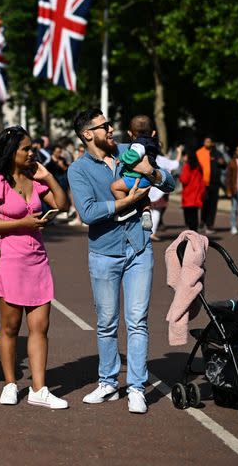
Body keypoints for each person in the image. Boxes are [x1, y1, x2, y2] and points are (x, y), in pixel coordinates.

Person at [67, 108, 175, 414]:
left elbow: (169, 183)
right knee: (106, 323)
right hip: (104, 252)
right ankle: (109, 382)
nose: (112, 129)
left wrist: (151, 172)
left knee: (137, 321)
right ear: (88, 134)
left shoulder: (131, 151)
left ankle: (137, 388)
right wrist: (124, 203)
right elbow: (87, 213)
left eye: (111, 124)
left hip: (139, 247)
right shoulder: (78, 170)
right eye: (104, 126)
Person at [0, 126, 69, 408]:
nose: (32, 152)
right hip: (8, 260)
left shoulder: (33, 177)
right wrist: (22, 223)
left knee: (40, 326)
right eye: (26, 148)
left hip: (36, 258)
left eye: (32, 148)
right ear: (10, 152)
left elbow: (62, 205)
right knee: (11, 326)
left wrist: (49, 176)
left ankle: (39, 389)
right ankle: (10, 383)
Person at [109, 115, 161, 229]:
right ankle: (146, 212)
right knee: (144, 197)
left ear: (129, 133)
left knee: (115, 187)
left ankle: (126, 209)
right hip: (147, 179)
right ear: (153, 133)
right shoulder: (153, 143)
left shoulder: (138, 144)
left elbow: (134, 155)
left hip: (135, 178)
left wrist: (121, 158)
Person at [148, 145, 182, 241]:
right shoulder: (162, 159)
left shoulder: (144, 158)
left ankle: (146, 232)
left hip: (146, 188)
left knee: (147, 211)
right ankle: (152, 232)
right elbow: (175, 164)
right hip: (159, 190)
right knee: (156, 211)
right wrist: (179, 152)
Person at [195, 137, 225, 234]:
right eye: (205, 141)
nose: (207, 143)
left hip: (215, 183)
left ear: (212, 143)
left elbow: (224, 165)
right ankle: (202, 221)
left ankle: (210, 224)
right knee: (204, 203)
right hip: (203, 183)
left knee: (213, 204)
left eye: (209, 141)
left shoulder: (217, 153)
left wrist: (223, 163)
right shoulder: (199, 152)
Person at [179, 148, 206, 231]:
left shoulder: (187, 166)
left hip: (188, 194)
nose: (183, 157)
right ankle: (195, 235)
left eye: (184, 155)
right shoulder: (198, 166)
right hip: (197, 194)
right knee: (194, 218)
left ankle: (192, 238)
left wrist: (180, 176)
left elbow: (184, 179)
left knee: (189, 220)